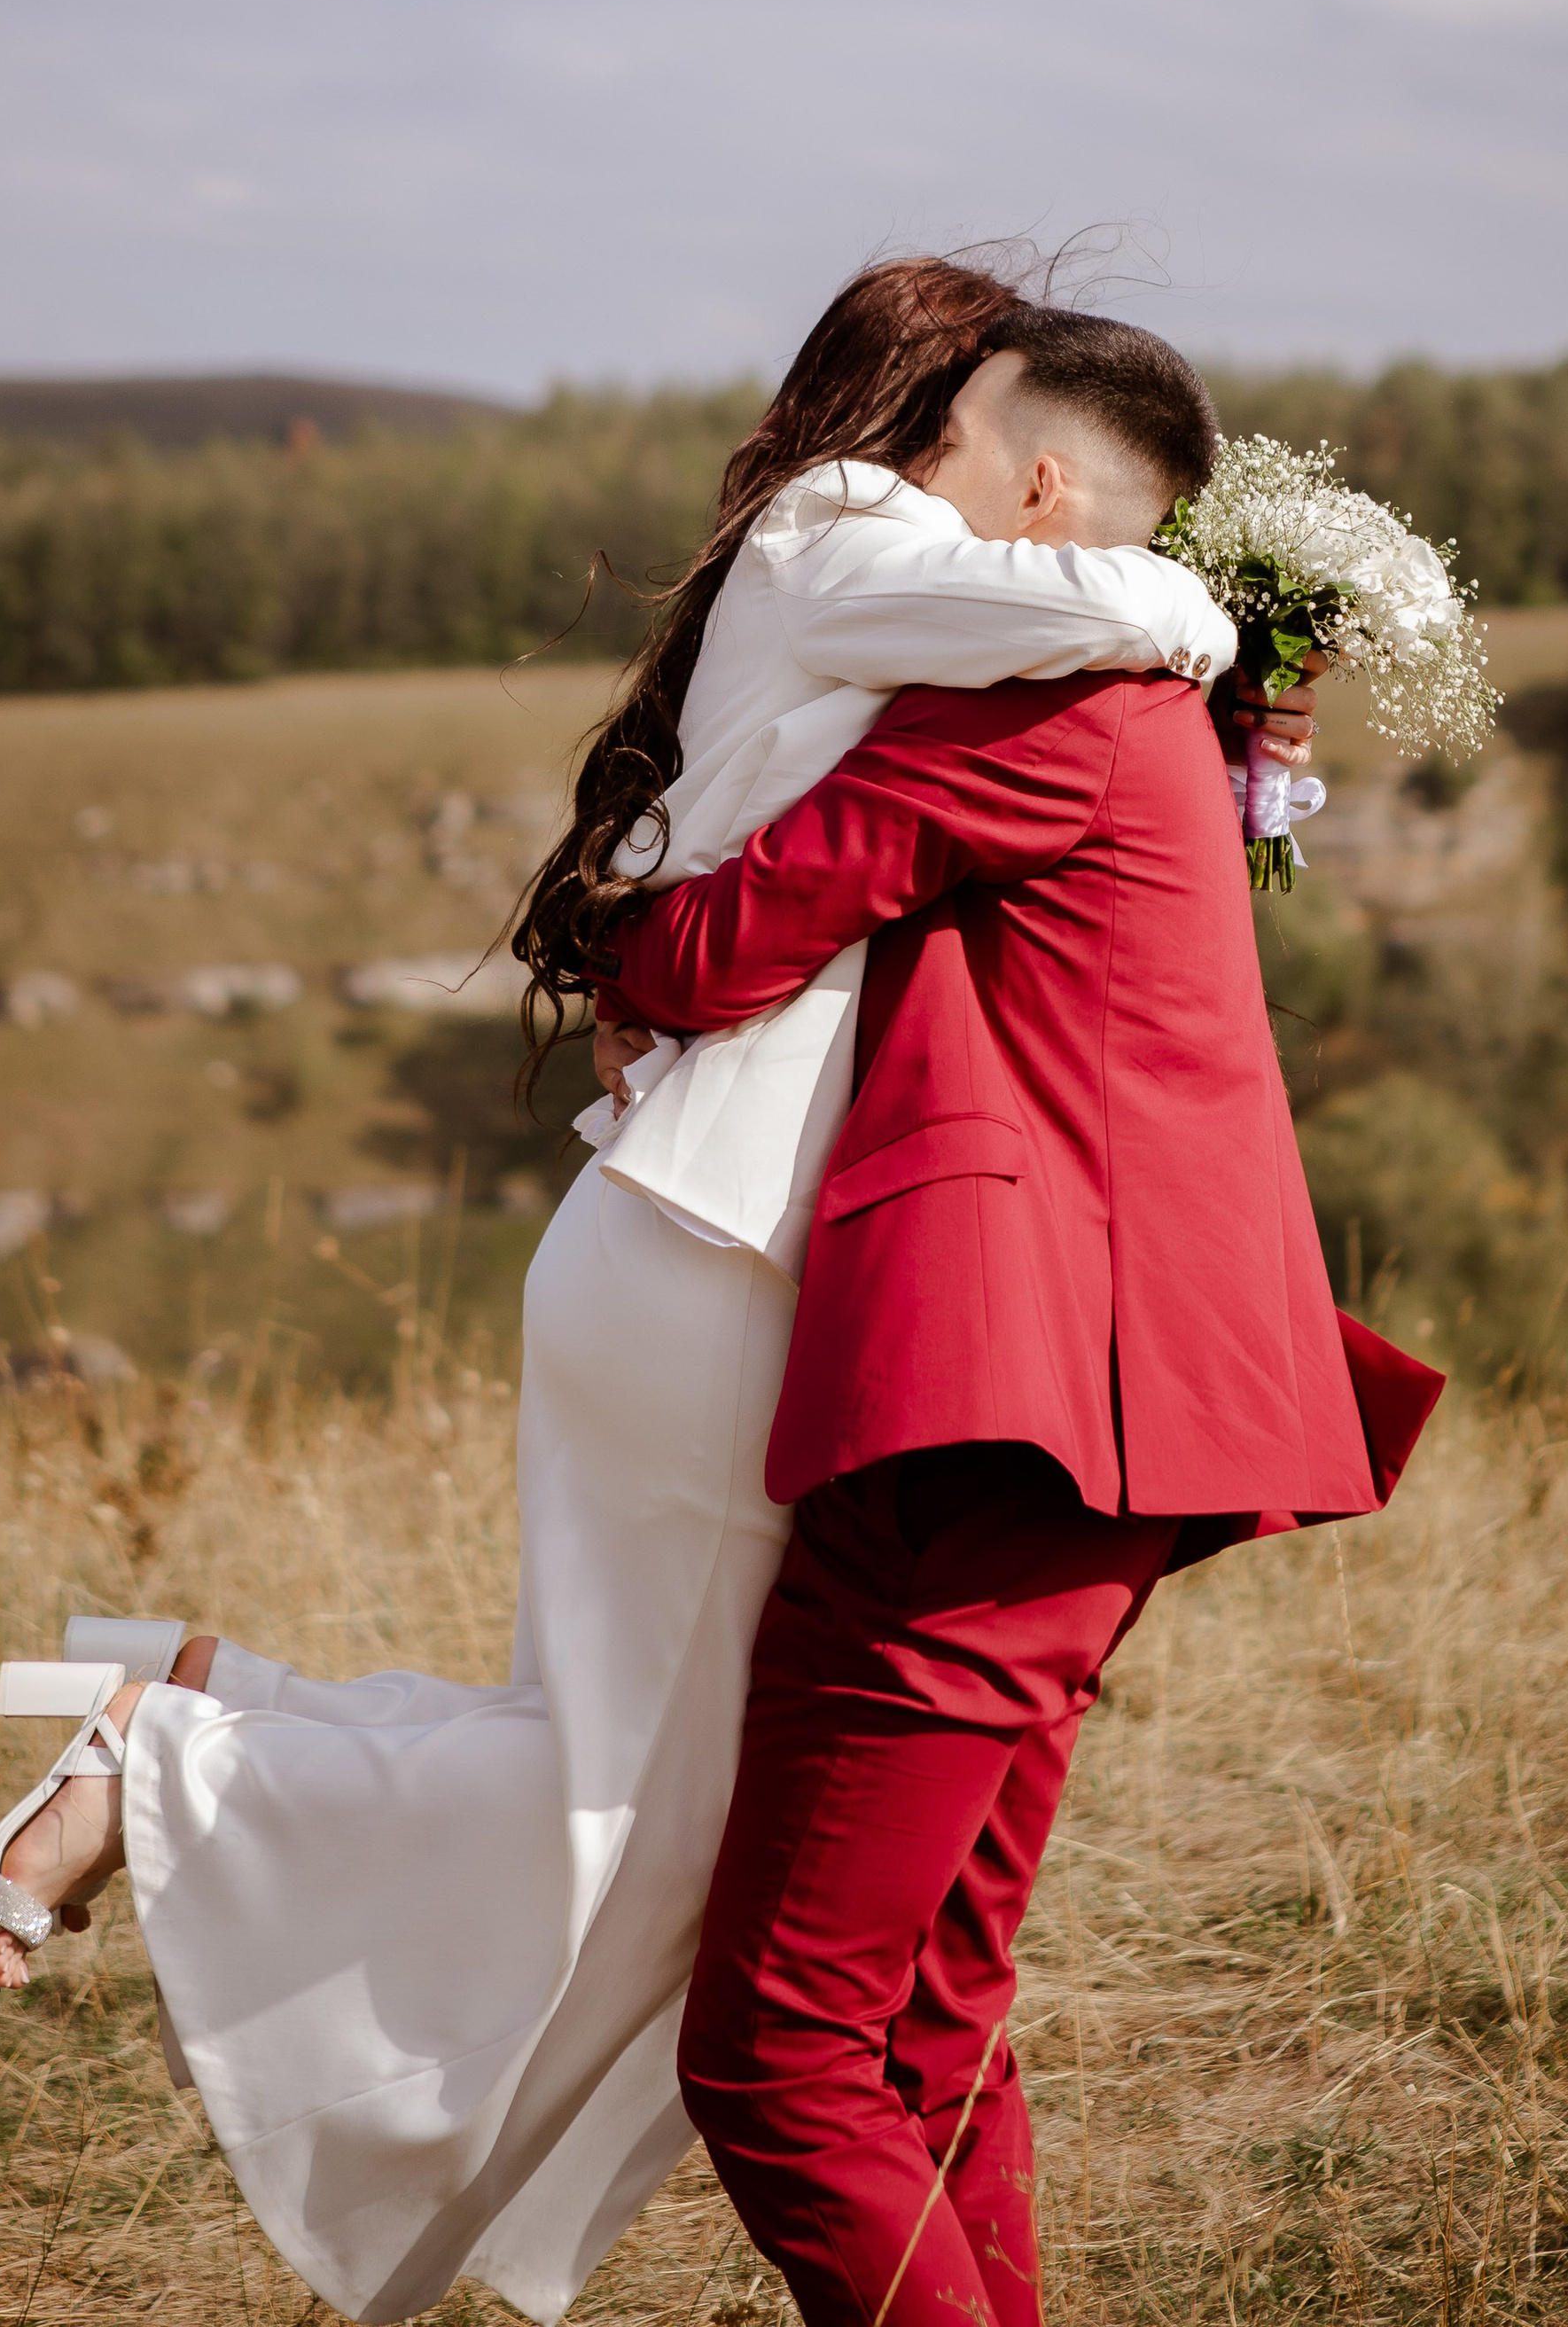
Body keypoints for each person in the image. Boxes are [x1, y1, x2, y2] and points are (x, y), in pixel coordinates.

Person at [0, 257, 1268, 2327]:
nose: (927, 466)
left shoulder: (916, 608)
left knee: (627, 1788)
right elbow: (735, 928)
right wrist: (1216, 617)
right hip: (728, 1248)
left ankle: (187, 1707)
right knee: (644, 1835)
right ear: (989, 451)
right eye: (948, 421)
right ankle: (169, 1762)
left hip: (708, 1239)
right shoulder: (854, 537)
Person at [597, 391, 1445, 2327]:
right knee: (925, 2027)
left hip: (1001, 1427)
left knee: (779, 2058)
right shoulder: (1162, 719)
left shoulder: (1045, 711)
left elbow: (740, 932)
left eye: (942, 453)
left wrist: (608, 947)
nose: (909, 499)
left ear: (1041, 486)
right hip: (1128, 1433)